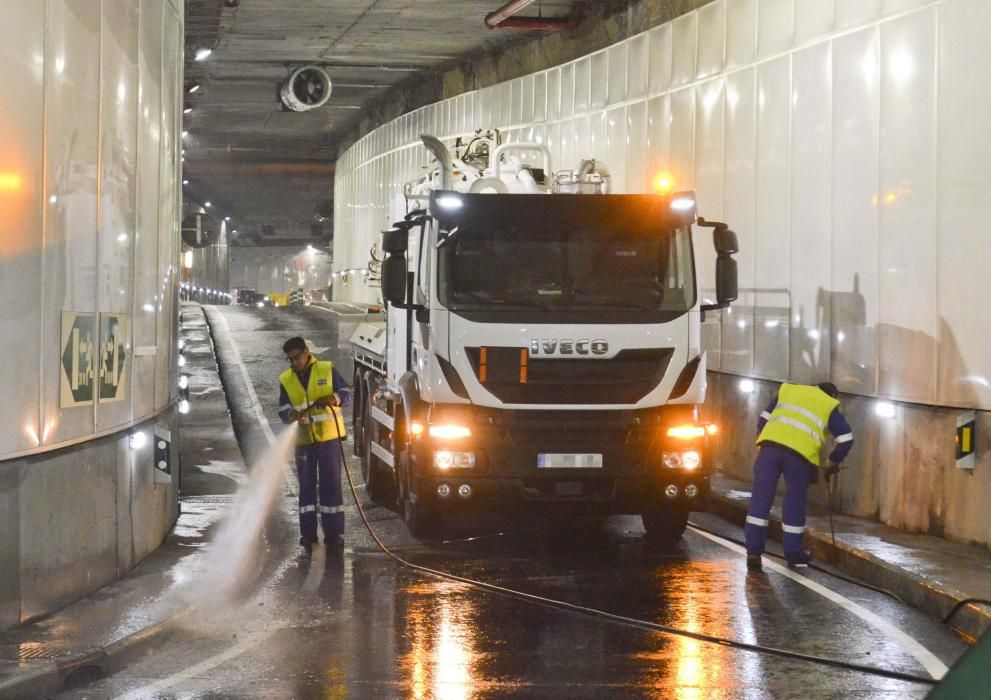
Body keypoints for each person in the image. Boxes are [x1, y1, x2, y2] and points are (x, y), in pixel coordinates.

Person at [744, 381, 854, 571]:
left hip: (769, 450)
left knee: (760, 500)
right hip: (799, 457)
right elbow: (845, 439)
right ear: (833, 396)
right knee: (794, 504)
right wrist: (833, 461)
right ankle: (795, 556)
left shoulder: (789, 391)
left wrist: (765, 440)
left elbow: (763, 419)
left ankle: (753, 552)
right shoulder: (828, 404)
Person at [277, 337, 352, 552]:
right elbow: (282, 410)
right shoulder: (286, 379)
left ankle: (334, 534)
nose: (294, 363)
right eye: (290, 360)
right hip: (304, 442)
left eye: (297, 358)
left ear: (307, 352)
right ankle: (308, 535)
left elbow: (347, 395)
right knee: (307, 489)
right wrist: (292, 414)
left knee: (331, 486)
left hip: (329, 439)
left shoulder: (326, 369)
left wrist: (334, 398)